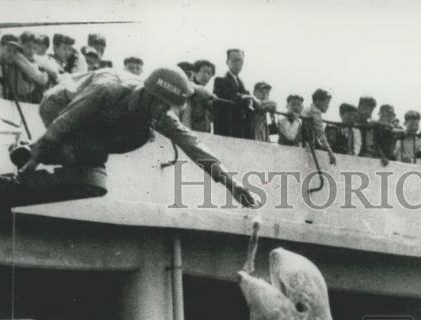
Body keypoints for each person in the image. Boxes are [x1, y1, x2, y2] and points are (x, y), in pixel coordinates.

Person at [18, 66, 256, 206]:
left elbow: (192, 144)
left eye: (169, 109)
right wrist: (33, 161)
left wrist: (231, 184)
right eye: (163, 106)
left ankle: (77, 154)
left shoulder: (157, 111)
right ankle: (31, 150)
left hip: (94, 124)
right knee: (73, 148)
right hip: (59, 105)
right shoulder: (109, 89)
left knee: (134, 137)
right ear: (149, 96)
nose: (164, 113)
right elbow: (66, 121)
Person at [213, 49, 252, 139]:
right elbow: (231, 96)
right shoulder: (220, 80)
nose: (237, 64)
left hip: (240, 129)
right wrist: (247, 97)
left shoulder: (241, 83)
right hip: (226, 129)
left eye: (240, 61)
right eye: (234, 60)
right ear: (227, 62)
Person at [0, 34, 48, 103]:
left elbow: (41, 78)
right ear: (0, 47)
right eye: (8, 50)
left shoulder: (18, 61)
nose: (11, 54)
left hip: (16, 99)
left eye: (14, 51)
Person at [303, 89, 337, 165]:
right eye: (326, 103)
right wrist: (330, 151)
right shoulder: (315, 111)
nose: (328, 106)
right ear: (318, 101)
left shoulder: (308, 109)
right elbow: (320, 133)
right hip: (307, 143)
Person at [183, 60, 216, 132]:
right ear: (195, 72)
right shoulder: (189, 88)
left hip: (204, 133)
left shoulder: (208, 96)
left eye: (209, 73)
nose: (206, 76)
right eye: (204, 71)